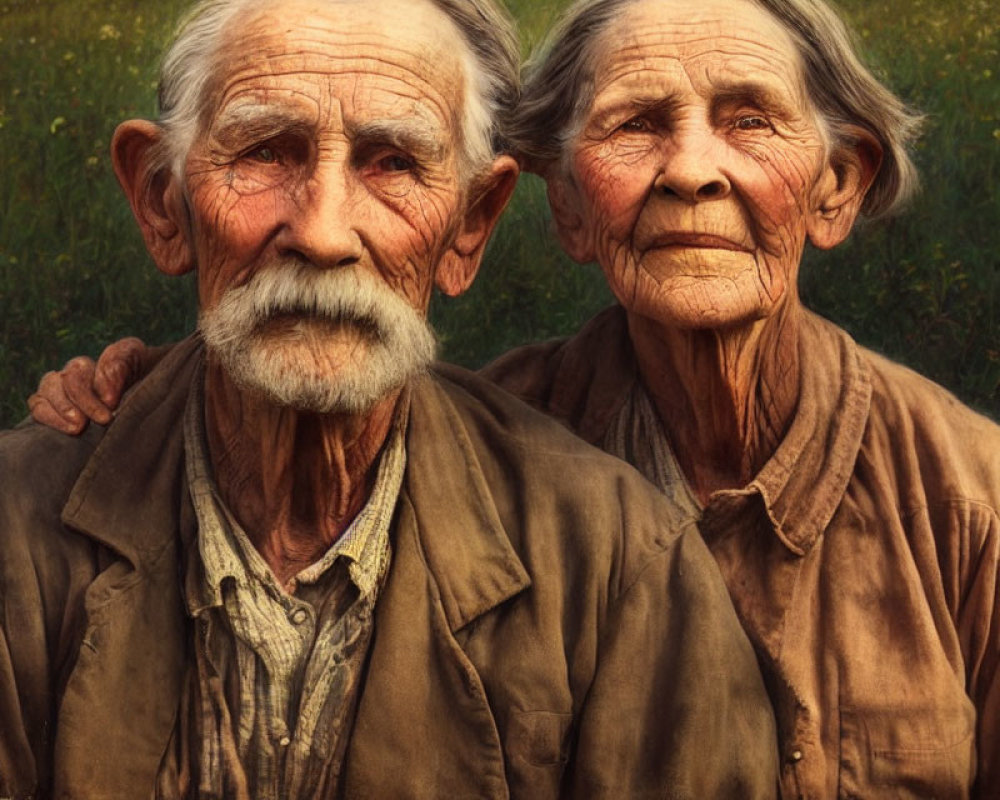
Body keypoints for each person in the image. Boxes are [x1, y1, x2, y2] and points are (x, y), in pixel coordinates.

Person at [32, 0, 1000, 796]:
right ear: (566, 204)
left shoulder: (967, 498)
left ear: (835, 187)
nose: (693, 170)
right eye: (635, 123)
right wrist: (156, 385)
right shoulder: (496, 439)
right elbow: (322, 375)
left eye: (748, 119)